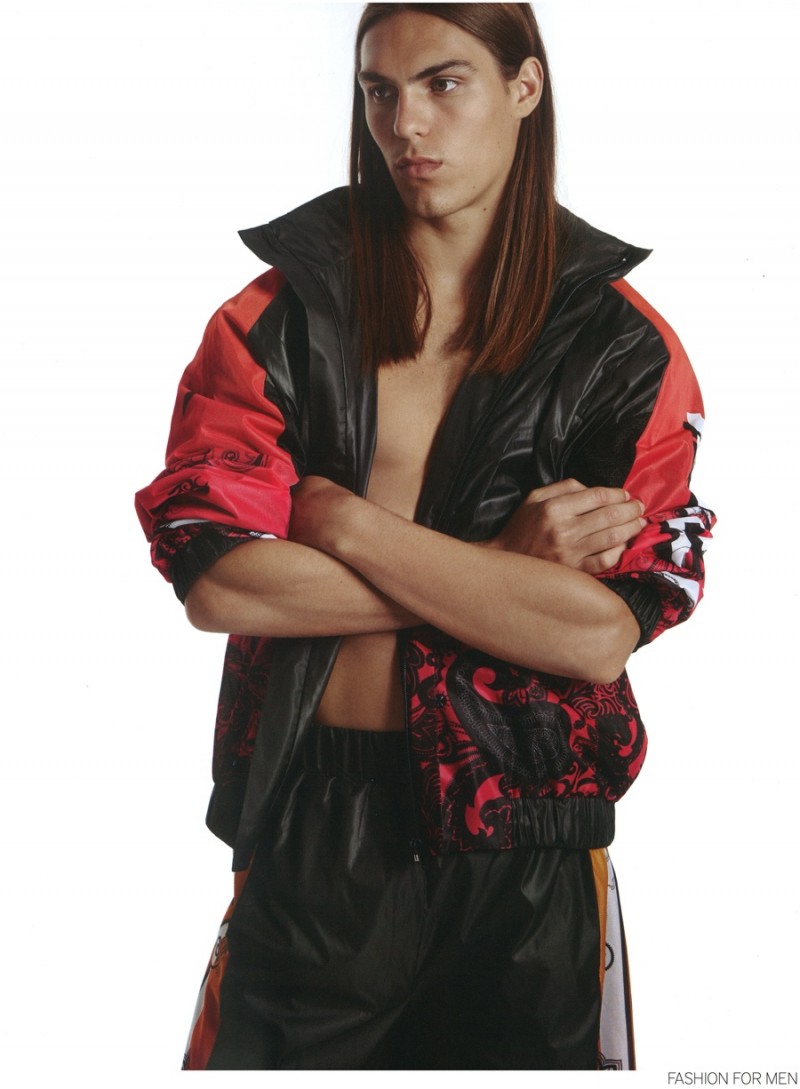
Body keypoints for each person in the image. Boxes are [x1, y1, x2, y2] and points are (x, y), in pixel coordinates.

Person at [135, 2, 713, 1071]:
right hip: (316, 824)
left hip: (528, 847)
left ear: (524, 88)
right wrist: (502, 574)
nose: (404, 124)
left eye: (444, 83)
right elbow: (222, 583)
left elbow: (597, 634)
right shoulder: (277, 318)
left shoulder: (622, 349)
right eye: (379, 91)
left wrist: (345, 522)